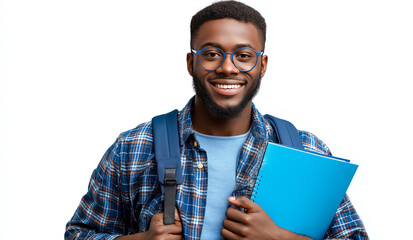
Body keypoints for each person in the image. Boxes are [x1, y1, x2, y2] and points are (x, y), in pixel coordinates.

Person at [65, 1, 368, 239]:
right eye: (211, 54)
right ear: (191, 62)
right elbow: (79, 234)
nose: (228, 68)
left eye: (244, 56)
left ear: (262, 65)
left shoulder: (305, 150)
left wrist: (278, 238)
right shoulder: (133, 148)